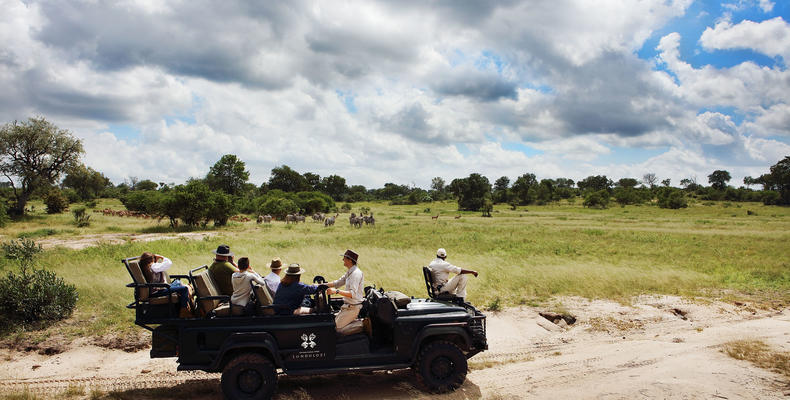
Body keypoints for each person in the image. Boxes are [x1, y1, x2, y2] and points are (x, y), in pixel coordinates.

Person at [139, 252, 193, 318]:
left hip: (159, 289)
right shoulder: (153, 267)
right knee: (184, 289)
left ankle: (185, 303)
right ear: (151, 259)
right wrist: (161, 257)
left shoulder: (147, 267)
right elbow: (169, 263)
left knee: (177, 281)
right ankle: (184, 311)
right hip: (157, 291)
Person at [326, 249, 364, 335]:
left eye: (344, 258)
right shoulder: (350, 272)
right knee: (333, 325)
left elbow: (352, 294)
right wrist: (321, 285)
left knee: (337, 329)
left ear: (350, 260)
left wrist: (336, 291)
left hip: (352, 308)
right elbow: (338, 283)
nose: (342, 260)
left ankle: (362, 324)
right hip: (347, 307)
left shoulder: (356, 274)